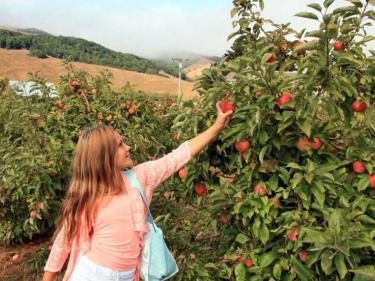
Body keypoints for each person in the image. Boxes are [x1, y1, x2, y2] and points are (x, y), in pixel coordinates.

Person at [42, 103, 233, 281]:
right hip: (93, 274)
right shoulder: (87, 195)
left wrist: (217, 126)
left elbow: (178, 156)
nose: (128, 147)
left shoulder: (140, 178)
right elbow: (63, 242)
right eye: (120, 145)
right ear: (103, 157)